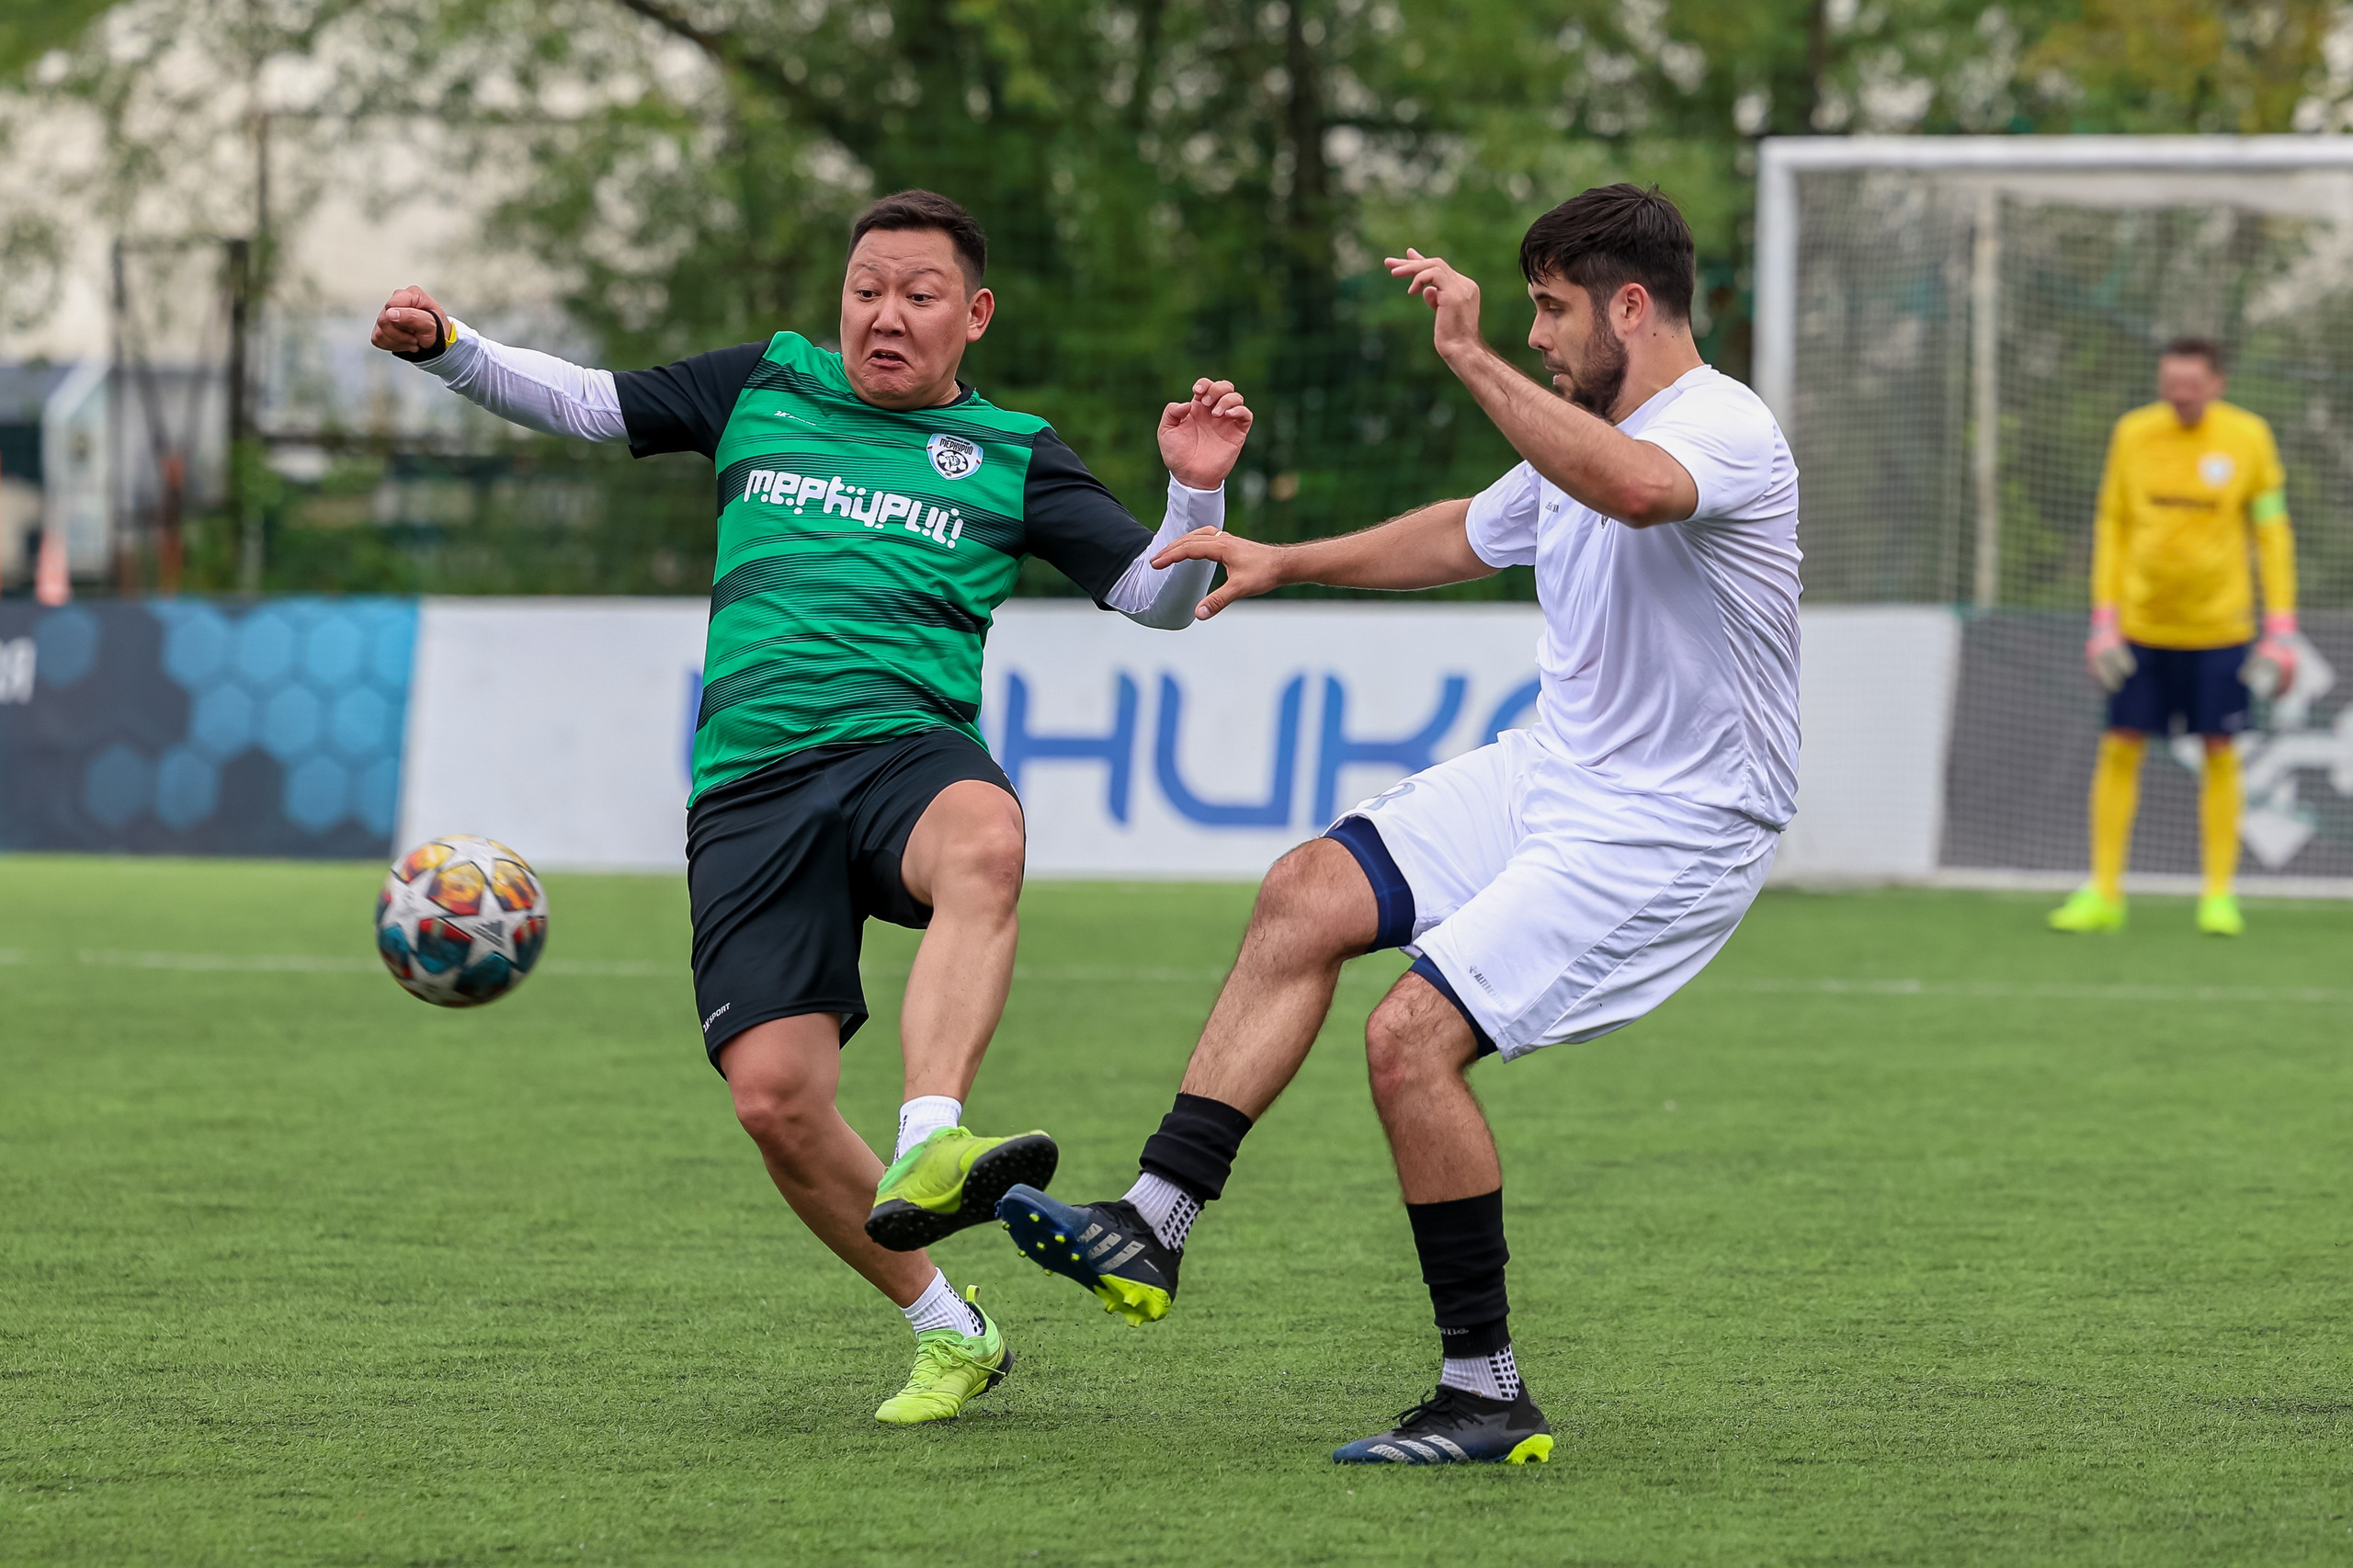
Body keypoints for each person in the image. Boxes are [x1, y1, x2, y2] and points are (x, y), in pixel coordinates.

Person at [370, 189, 1254, 1425]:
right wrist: (453, 350)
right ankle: (950, 1329)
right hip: (750, 785)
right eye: (866, 291)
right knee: (775, 1100)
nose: (884, 316)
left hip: (905, 748)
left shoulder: (1012, 453)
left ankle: (933, 1129)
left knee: (987, 840)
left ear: (976, 314)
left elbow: (1154, 602)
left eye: (919, 295)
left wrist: (1195, 498)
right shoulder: (763, 385)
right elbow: (588, 401)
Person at [995, 184, 1801, 1464]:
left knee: (1409, 1038)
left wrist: (1471, 355)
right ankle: (1154, 1216)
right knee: (1307, 886)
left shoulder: (1723, 427)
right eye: (1525, 315)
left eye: (1551, 310)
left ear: (1630, 306)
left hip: (1679, 822)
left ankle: (1483, 1388)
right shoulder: (1582, 431)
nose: (1538, 335)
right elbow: (1465, 535)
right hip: (1562, 773)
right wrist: (1281, 557)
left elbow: (1643, 494)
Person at [2048, 338, 2300, 938]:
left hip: (2221, 630)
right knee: (2119, 745)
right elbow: (2112, 522)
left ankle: (2219, 895)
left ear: (2217, 382)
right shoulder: (2133, 433)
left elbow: (2272, 532)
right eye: (2170, 384)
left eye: (2190, 384)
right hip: (2139, 630)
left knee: (2220, 750)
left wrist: (2282, 626)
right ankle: (2105, 892)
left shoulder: (2249, 438)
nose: (2179, 395)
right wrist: (2103, 616)